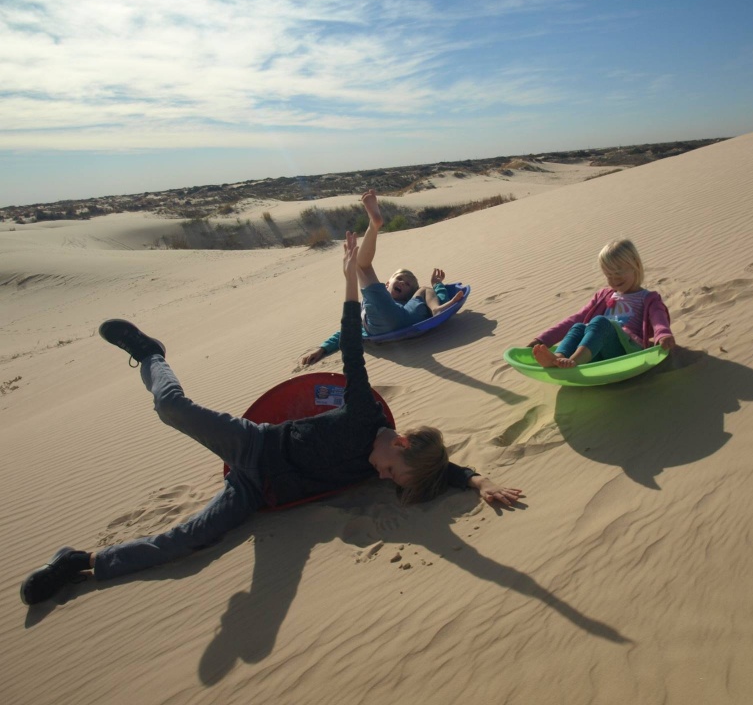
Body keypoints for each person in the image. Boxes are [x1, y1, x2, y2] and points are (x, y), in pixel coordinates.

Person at [20, 231, 521, 606]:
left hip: (258, 492)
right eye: (391, 470)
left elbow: (443, 471)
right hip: (254, 445)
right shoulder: (363, 415)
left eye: (390, 480)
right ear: (401, 442)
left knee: (189, 539)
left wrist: (480, 483)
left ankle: (81, 563)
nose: (383, 478)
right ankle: (152, 355)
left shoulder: (401, 463)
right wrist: (350, 281)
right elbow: (352, 347)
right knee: (171, 408)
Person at [300, 190, 464, 366]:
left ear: (409, 295)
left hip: (404, 317)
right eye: (399, 278)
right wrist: (323, 348)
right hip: (384, 321)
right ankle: (374, 225)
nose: (403, 282)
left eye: (408, 284)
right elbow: (347, 330)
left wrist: (437, 285)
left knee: (365, 268)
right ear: (387, 284)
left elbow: (441, 298)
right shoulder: (375, 302)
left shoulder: (408, 303)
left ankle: (374, 225)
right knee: (360, 266)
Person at [527, 238, 675, 368]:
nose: (614, 279)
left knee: (600, 322)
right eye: (609, 275)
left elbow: (658, 319)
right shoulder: (604, 295)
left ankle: (573, 362)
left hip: (627, 351)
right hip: (598, 350)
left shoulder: (648, 298)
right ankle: (558, 358)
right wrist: (543, 339)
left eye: (618, 272)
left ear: (635, 265)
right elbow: (576, 318)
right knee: (579, 326)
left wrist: (663, 335)